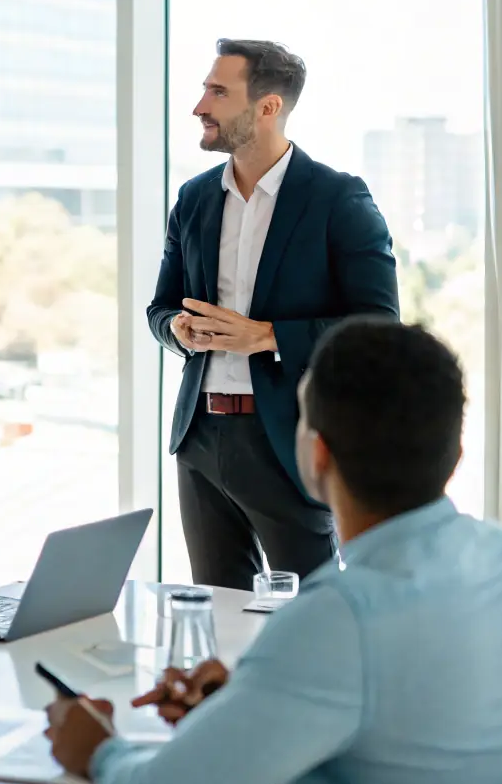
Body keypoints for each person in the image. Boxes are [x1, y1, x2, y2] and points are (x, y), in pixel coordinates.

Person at [45, 318, 502, 784]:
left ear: (316, 454)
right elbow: (412, 711)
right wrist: (253, 698)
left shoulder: (341, 617)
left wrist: (97, 749)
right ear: (454, 454)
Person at [148, 39, 398, 591]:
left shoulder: (338, 199)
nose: (199, 106)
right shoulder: (193, 199)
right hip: (200, 439)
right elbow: (160, 308)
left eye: (218, 92)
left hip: (287, 439)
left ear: (268, 107)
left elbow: (379, 328)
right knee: (218, 608)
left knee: (312, 607)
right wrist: (177, 329)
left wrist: (266, 337)